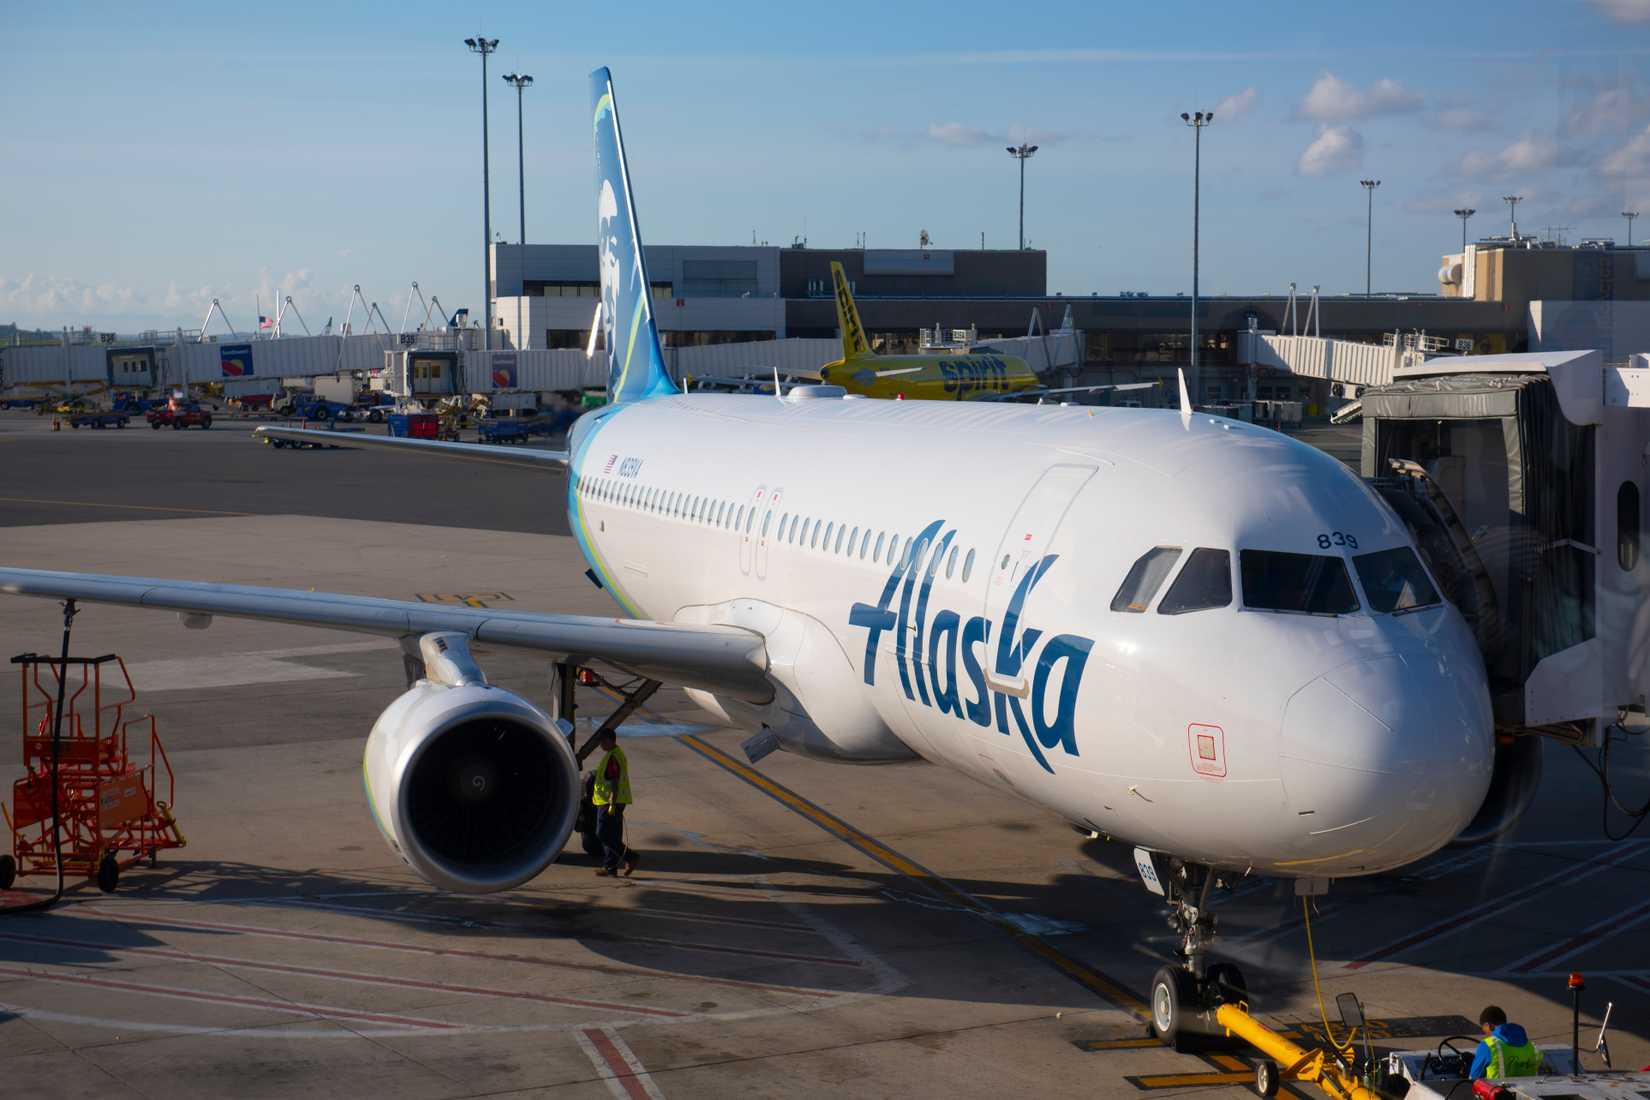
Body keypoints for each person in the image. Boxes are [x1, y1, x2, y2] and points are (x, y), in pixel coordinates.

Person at [590, 729, 639, 878]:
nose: (601, 745)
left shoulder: (613, 757)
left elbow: (614, 780)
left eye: (603, 741)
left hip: (610, 802)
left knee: (602, 833)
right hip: (614, 801)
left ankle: (630, 857)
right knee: (613, 835)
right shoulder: (614, 754)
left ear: (612, 740)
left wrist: (612, 800)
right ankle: (610, 867)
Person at [1469, 1005, 1541, 1080]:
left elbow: (1473, 1077)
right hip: (1529, 1091)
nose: (1487, 1035)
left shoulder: (1489, 1046)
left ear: (1489, 1026)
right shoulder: (1531, 1047)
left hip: (1498, 1090)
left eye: (1485, 1031)